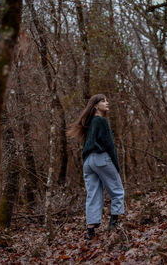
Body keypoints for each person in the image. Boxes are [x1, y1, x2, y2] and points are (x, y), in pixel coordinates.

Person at [67, 94, 125, 240]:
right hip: (101, 158)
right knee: (117, 190)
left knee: (93, 195)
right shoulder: (101, 121)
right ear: (95, 105)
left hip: (88, 162)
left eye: (107, 99)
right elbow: (109, 145)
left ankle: (90, 231)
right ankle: (113, 223)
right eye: (103, 101)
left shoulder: (90, 123)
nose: (107, 102)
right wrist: (116, 166)